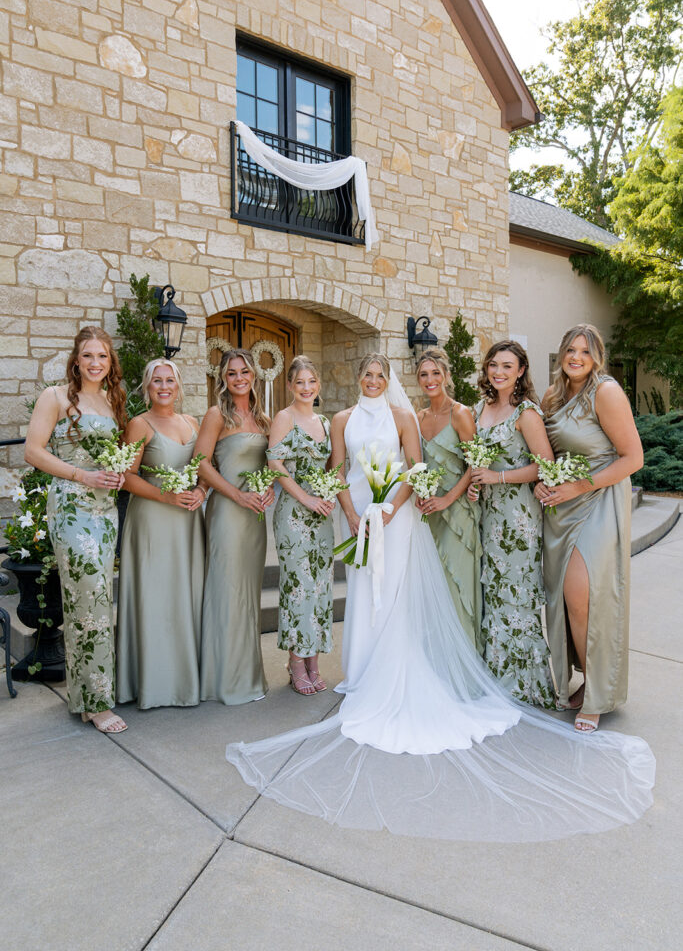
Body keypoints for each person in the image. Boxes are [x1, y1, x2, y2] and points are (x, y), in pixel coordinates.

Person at [225, 354, 654, 842]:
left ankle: (522, 681)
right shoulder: (339, 420)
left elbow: (418, 467)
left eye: (380, 375)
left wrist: (405, 506)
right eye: (367, 375)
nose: (373, 381)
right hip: (362, 516)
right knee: (368, 594)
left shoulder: (416, 416)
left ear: (392, 382)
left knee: (420, 596)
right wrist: (353, 512)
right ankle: (360, 670)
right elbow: (339, 469)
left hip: (407, 515)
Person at [536, 325, 643, 733]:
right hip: (559, 506)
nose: (576, 357)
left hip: (598, 500)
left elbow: (633, 458)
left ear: (597, 356)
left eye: (585, 351)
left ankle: (598, 693)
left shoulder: (607, 392)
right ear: (561, 353)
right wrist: (542, 481)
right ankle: (582, 680)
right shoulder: (552, 395)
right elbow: (547, 453)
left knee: (583, 597)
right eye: (570, 350)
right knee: (564, 601)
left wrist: (578, 486)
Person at [24, 326, 128, 733]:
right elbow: (33, 451)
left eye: (102, 356)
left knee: (97, 600)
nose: (95, 363)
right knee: (88, 598)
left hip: (105, 511)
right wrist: (82, 476)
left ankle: (88, 696)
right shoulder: (55, 397)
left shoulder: (111, 399)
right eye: (88, 356)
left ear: (110, 362)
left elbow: (113, 454)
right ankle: (96, 702)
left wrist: (116, 475)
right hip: (71, 507)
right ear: (76, 359)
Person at [468, 341, 556, 708]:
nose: (499, 372)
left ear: (521, 371)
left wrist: (498, 478)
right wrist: (475, 483)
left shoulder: (526, 413)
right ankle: (494, 676)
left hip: (518, 519)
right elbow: (475, 463)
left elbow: (545, 465)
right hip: (486, 516)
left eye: (507, 366)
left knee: (516, 593)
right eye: (493, 365)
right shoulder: (479, 408)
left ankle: (523, 683)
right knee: (492, 592)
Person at [116, 359, 205, 709]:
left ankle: (186, 678)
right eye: (157, 381)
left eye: (170, 380)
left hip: (187, 521)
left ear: (179, 386)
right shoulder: (139, 425)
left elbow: (201, 470)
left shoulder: (193, 422)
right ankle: (153, 683)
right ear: (147, 386)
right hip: (152, 519)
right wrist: (166, 495)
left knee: (185, 594)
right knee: (155, 596)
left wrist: (201, 491)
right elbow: (127, 476)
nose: (164, 386)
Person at [195, 348, 274, 705]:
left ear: (253, 375)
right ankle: (223, 680)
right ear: (223, 379)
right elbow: (201, 464)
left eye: (244, 372)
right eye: (231, 373)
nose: (239, 378)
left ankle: (249, 675)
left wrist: (269, 485)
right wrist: (237, 496)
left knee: (248, 595)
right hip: (227, 513)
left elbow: (272, 464)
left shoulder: (264, 419)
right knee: (226, 592)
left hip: (255, 518)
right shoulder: (216, 415)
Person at [267, 356, 335, 695]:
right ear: (290, 386)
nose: (306, 388)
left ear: (318, 385)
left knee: (320, 587)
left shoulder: (324, 420)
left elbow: (331, 467)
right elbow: (275, 463)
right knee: (298, 587)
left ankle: (314, 660)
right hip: (294, 514)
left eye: (312, 382)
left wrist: (329, 493)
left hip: (322, 514)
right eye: (300, 382)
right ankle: (295, 661)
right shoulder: (285, 417)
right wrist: (306, 498)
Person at [415, 349, 483, 651]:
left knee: (457, 585)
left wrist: (447, 501)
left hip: (457, 512)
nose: (430, 380)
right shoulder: (419, 417)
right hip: (428, 514)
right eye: (424, 374)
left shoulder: (461, 413)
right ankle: (438, 661)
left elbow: (475, 464)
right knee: (434, 587)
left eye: (435, 373)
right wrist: (421, 492)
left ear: (446, 376)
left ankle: (464, 663)